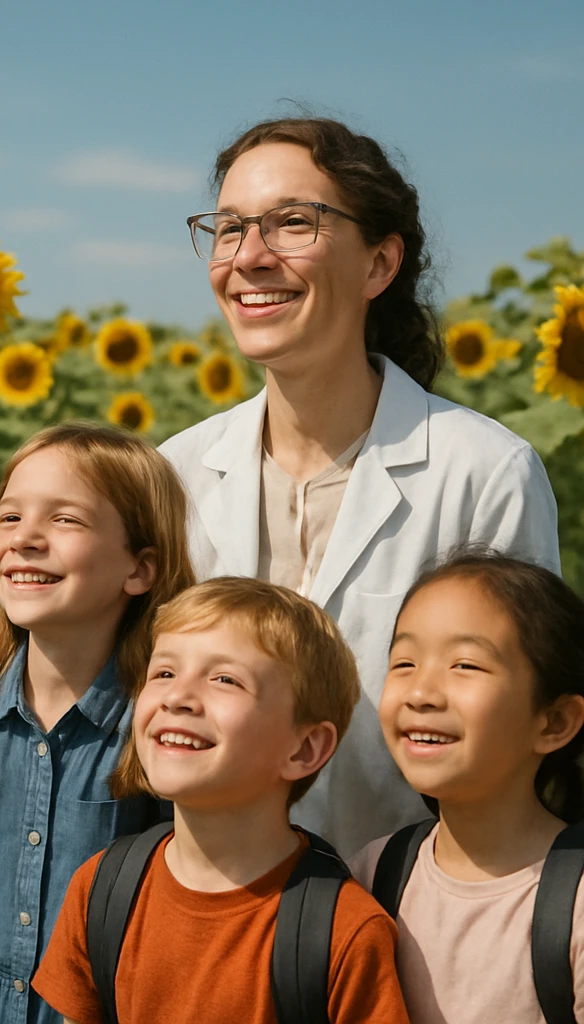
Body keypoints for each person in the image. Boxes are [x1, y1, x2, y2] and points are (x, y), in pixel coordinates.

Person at [160, 116, 559, 856]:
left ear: (379, 264)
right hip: (211, 894)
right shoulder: (176, 473)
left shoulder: (484, 472)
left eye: (292, 223)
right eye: (229, 228)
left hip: (409, 904)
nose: (249, 257)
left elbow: (517, 730)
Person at [0, 422, 195, 1024]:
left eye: (65, 519)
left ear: (140, 569)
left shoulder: (164, 735)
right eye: (9, 517)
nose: (25, 538)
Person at [32, 576, 409, 1024]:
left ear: (304, 748)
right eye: (164, 673)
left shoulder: (343, 934)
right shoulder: (101, 889)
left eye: (225, 679)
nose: (178, 697)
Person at [349, 551, 584, 1023]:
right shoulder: (372, 875)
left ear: (554, 721)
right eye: (404, 663)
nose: (421, 693)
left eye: (465, 665)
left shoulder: (575, 903)